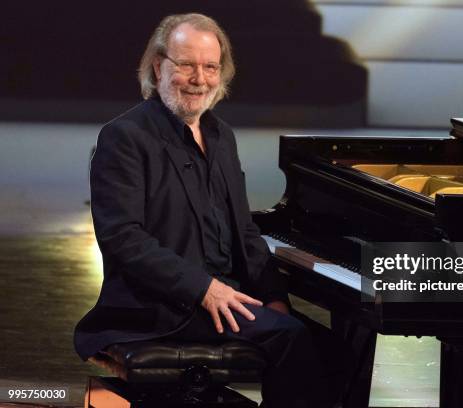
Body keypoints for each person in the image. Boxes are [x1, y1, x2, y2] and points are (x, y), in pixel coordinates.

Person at [74, 13, 336, 408]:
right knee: (290, 339)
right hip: (162, 306)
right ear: (159, 66)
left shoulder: (221, 135)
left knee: (335, 346)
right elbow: (123, 238)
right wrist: (204, 289)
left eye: (210, 67)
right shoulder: (125, 137)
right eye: (186, 65)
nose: (200, 79)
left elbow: (244, 230)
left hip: (224, 294)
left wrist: (274, 296)